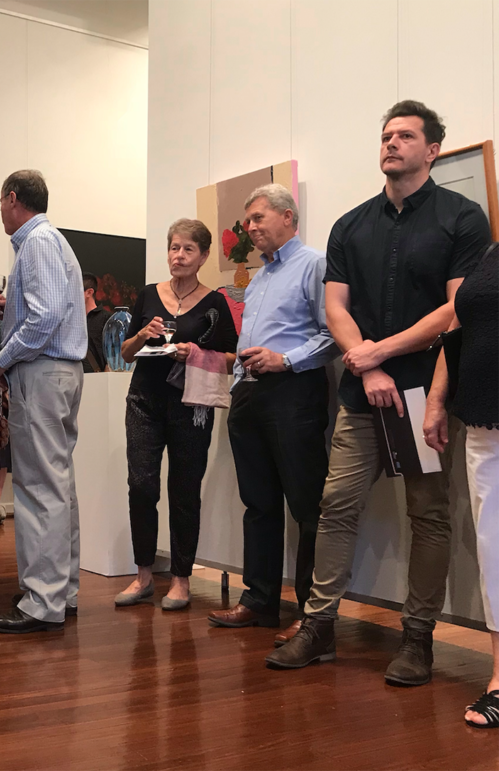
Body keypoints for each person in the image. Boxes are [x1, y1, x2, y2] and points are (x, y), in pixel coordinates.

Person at [267, 100, 491, 685]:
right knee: (336, 506)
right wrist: (367, 368)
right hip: (363, 393)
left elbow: (456, 308)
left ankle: (418, 639)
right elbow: (335, 308)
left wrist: (380, 352)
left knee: (429, 514)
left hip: (428, 394)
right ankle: (319, 626)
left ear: (432, 150)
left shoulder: (463, 218)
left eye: (405, 136)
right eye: (387, 135)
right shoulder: (351, 224)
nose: (391, 143)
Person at [207, 184, 338, 642]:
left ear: (288, 217)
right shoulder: (259, 277)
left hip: (293, 391)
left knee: (307, 505)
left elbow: (333, 334)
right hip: (250, 394)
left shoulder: (315, 264)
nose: (250, 227)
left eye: (258, 217)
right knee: (258, 504)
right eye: (247, 220)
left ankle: (311, 614)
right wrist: (239, 381)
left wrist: (284, 360)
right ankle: (259, 601)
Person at [0, 170, 88, 634]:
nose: (1, 212)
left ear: (12, 199)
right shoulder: (52, 241)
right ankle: (60, 592)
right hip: (59, 371)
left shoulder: (37, 242)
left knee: (39, 487)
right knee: (57, 484)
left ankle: (42, 601)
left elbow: (44, 319)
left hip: (41, 372)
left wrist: (0, 360)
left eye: (0, 203)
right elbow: (47, 311)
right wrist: (11, 309)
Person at [115, 219, 237, 611]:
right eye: (173, 247)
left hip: (191, 406)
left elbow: (233, 358)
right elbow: (126, 352)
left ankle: (181, 579)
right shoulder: (149, 294)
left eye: (187, 249)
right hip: (144, 401)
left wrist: (195, 354)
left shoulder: (215, 303)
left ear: (203, 256)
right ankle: (143, 576)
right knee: (141, 487)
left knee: (184, 491)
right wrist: (142, 334)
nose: (178, 256)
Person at [424, 244, 499, 725]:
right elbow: (457, 327)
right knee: (494, 549)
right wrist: (436, 399)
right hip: (484, 425)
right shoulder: (491, 256)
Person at [82, 272, 112, 373]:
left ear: (89, 292)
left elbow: (114, 354)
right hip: (73, 376)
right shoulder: (70, 319)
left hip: (99, 378)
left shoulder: (107, 318)